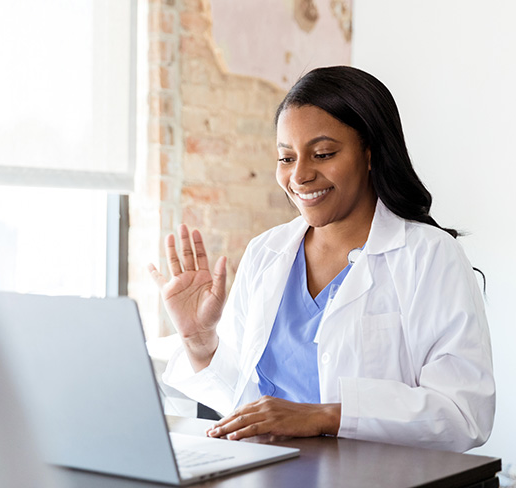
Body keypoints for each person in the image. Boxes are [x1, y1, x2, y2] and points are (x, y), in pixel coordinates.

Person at [149, 66, 495, 452]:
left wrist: (324, 416)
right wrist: (200, 342)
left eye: (323, 153)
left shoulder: (428, 256)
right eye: (286, 158)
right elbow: (248, 405)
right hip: (270, 471)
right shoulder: (266, 253)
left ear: (370, 153)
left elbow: (465, 414)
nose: (299, 176)